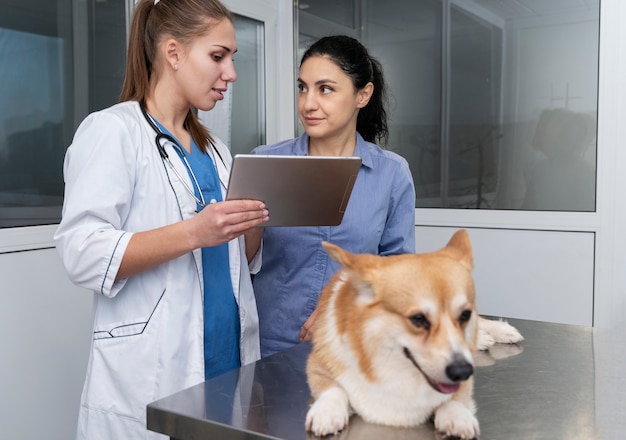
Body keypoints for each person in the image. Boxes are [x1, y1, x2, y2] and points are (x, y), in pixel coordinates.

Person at [54, 0, 269, 438]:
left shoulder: (217, 153)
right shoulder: (114, 131)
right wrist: (195, 231)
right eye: (218, 56)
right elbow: (82, 251)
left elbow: (239, 261)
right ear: (173, 53)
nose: (230, 74)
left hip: (227, 368)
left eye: (232, 59)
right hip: (155, 376)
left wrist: (256, 219)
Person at [249, 35, 416, 358]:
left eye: (325, 89)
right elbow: (238, 264)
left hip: (353, 345)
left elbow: (399, 272)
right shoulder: (266, 163)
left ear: (362, 95)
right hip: (270, 345)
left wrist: (345, 302)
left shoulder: (391, 174)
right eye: (302, 87)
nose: (308, 103)